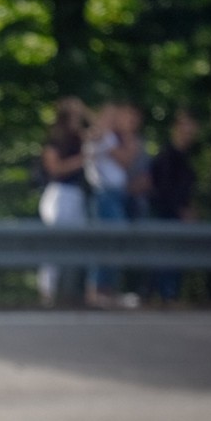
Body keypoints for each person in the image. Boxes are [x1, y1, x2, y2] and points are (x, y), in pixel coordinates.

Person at [83, 102, 145, 306]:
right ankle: (97, 291)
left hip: (117, 195)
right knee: (108, 240)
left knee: (116, 242)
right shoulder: (102, 136)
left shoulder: (114, 138)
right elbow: (125, 159)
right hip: (105, 195)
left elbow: (130, 157)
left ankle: (107, 291)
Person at [37, 97, 89, 306]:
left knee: (78, 245)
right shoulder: (55, 141)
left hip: (77, 195)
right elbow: (55, 169)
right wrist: (82, 160)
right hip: (60, 194)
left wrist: (85, 111)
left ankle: (70, 294)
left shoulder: (81, 138)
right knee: (54, 247)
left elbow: (101, 133)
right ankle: (47, 295)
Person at [147, 110, 200, 302]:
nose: (188, 133)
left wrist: (189, 209)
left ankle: (168, 296)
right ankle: (162, 295)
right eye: (184, 128)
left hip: (177, 218)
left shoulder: (185, 157)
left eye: (191, 129)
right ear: (175, 129)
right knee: (165, 260)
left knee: (174, 261)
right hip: (165, 216)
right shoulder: (166, 156)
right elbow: (164, 190)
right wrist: (181, 210)